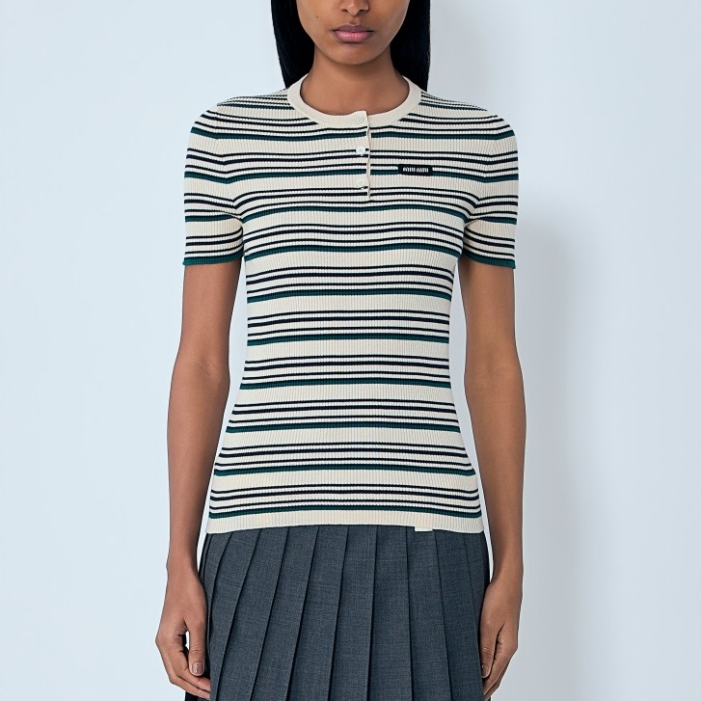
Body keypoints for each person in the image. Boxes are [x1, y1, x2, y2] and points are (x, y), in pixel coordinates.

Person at [155, 1, 525, 700]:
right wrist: (179, 559)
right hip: (258, 533)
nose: (354, 4)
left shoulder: (478, 141)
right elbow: (200, 361)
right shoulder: (229, 136)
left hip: (430, 535)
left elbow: (493, 364)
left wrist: (510, 565)